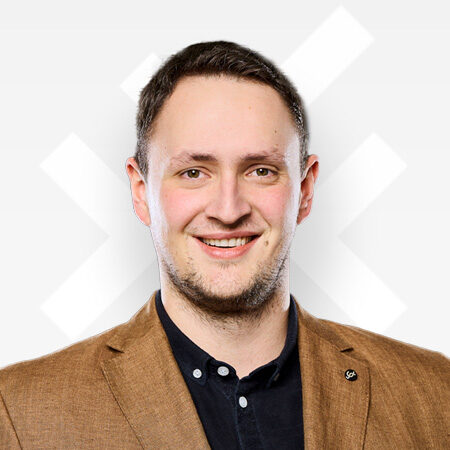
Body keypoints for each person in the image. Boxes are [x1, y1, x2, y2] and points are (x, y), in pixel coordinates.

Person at [0, 40, 448, 449]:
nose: (228, 210)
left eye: (261, 171)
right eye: (194, 172)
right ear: (140, 191)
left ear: (305, 189)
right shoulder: (20, 411)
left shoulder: (436, 393)